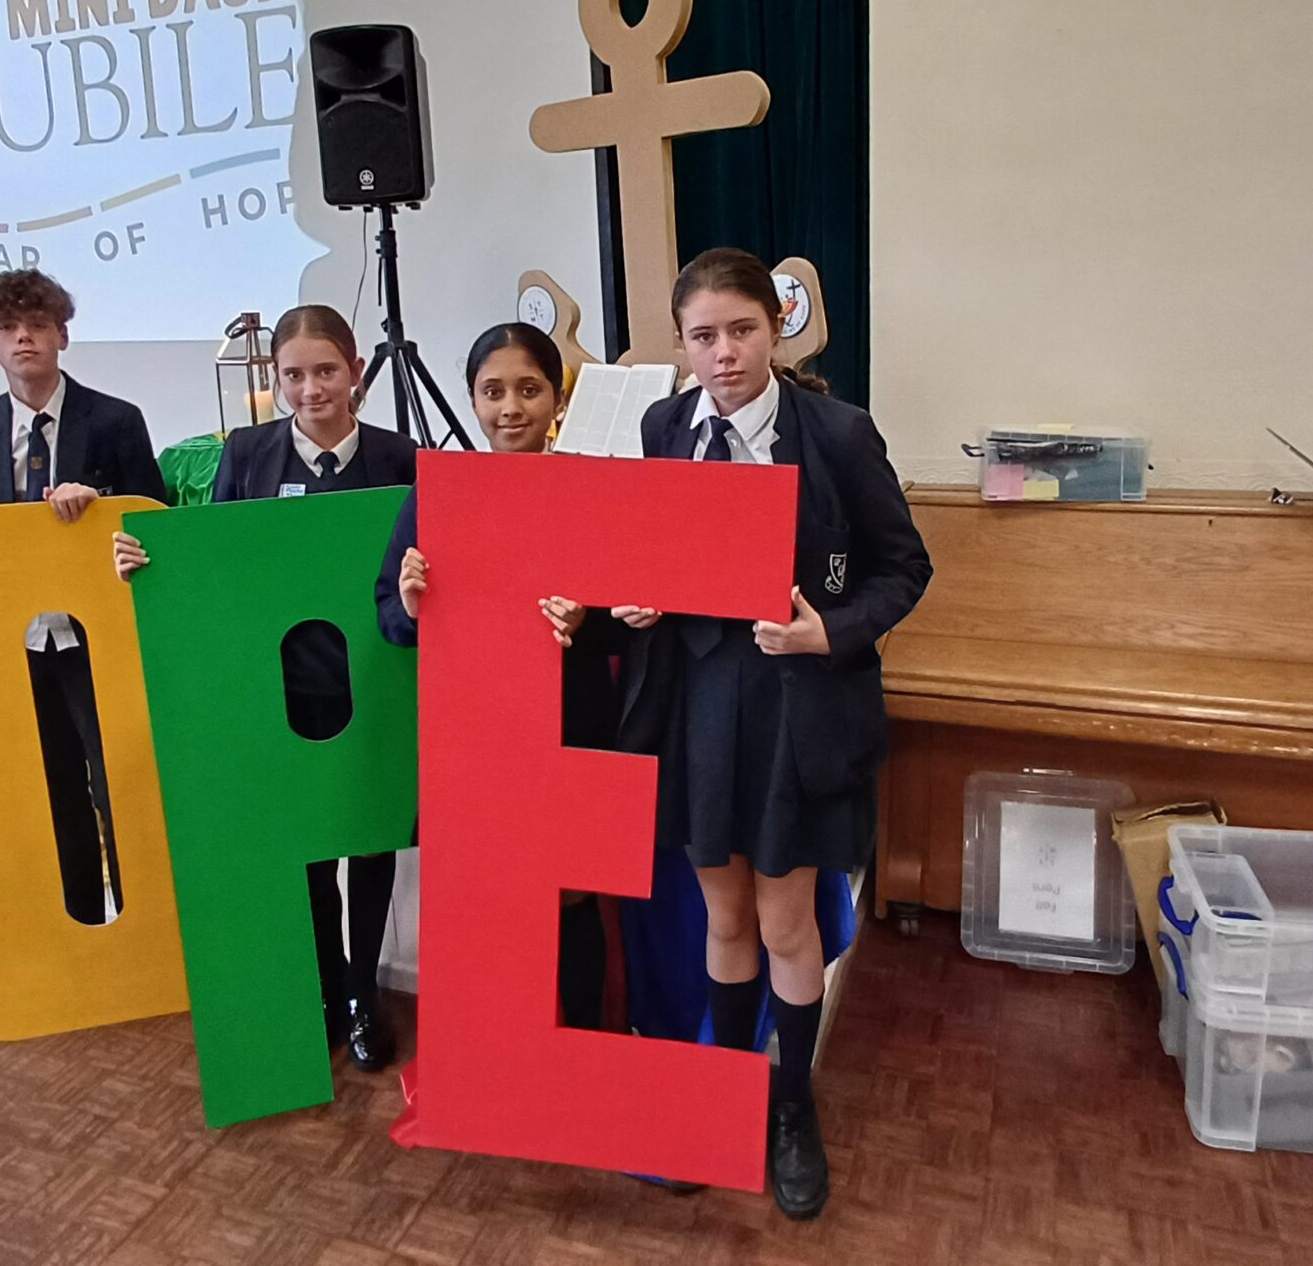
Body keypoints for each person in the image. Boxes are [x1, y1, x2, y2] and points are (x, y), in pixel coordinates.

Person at [626, 247, 933, 1221]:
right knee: (723, 920)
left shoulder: (838, 433)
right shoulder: (663, 427)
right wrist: (641, 599)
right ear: (681, 345)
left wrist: (827, 632)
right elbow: (659, 554)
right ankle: (726, 1099)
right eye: (703, 336)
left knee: (786, 923)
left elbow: (904, 569)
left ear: (776, 329)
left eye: (742, 330)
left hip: (797, 708)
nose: (723, 353)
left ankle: (791, 1106)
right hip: (699, 705)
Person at [112, 303, 417, 1069]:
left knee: (369, 838)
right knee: (305, 847)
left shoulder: (399, 457)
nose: (311, 390)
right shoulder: (248, 454)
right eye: (293, 375)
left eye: (326, 371)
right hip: (284, 690)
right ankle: (324, 985)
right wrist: (151, 563)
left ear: (356, 371)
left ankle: (363, 991)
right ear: (275, 380)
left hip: (372, 683)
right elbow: (219, 561)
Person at [373, 323, 660, 1031]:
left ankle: (585, 1039)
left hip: (575, 722)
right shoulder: (440, 492)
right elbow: (390, 617)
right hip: (479, 732)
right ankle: (497, 1047)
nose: (510, 408)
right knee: (489, 895)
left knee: (574, 892)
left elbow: (632, 619)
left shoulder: (591, 487)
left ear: (557, 399)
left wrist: (586, 618)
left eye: (529, 390)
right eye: (492, 391)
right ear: (472, 399)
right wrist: (413, 606)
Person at [0, 268, 168, 927]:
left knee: (120, 784)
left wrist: (100, 505)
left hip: (98, 640)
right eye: (7, 328)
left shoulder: (115, 419)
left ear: (62, 336)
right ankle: (78, 921)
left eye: (38, 325)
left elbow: (156, 520)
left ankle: (141, 920)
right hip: (17, 645)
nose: (23, 337)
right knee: (50, 788)